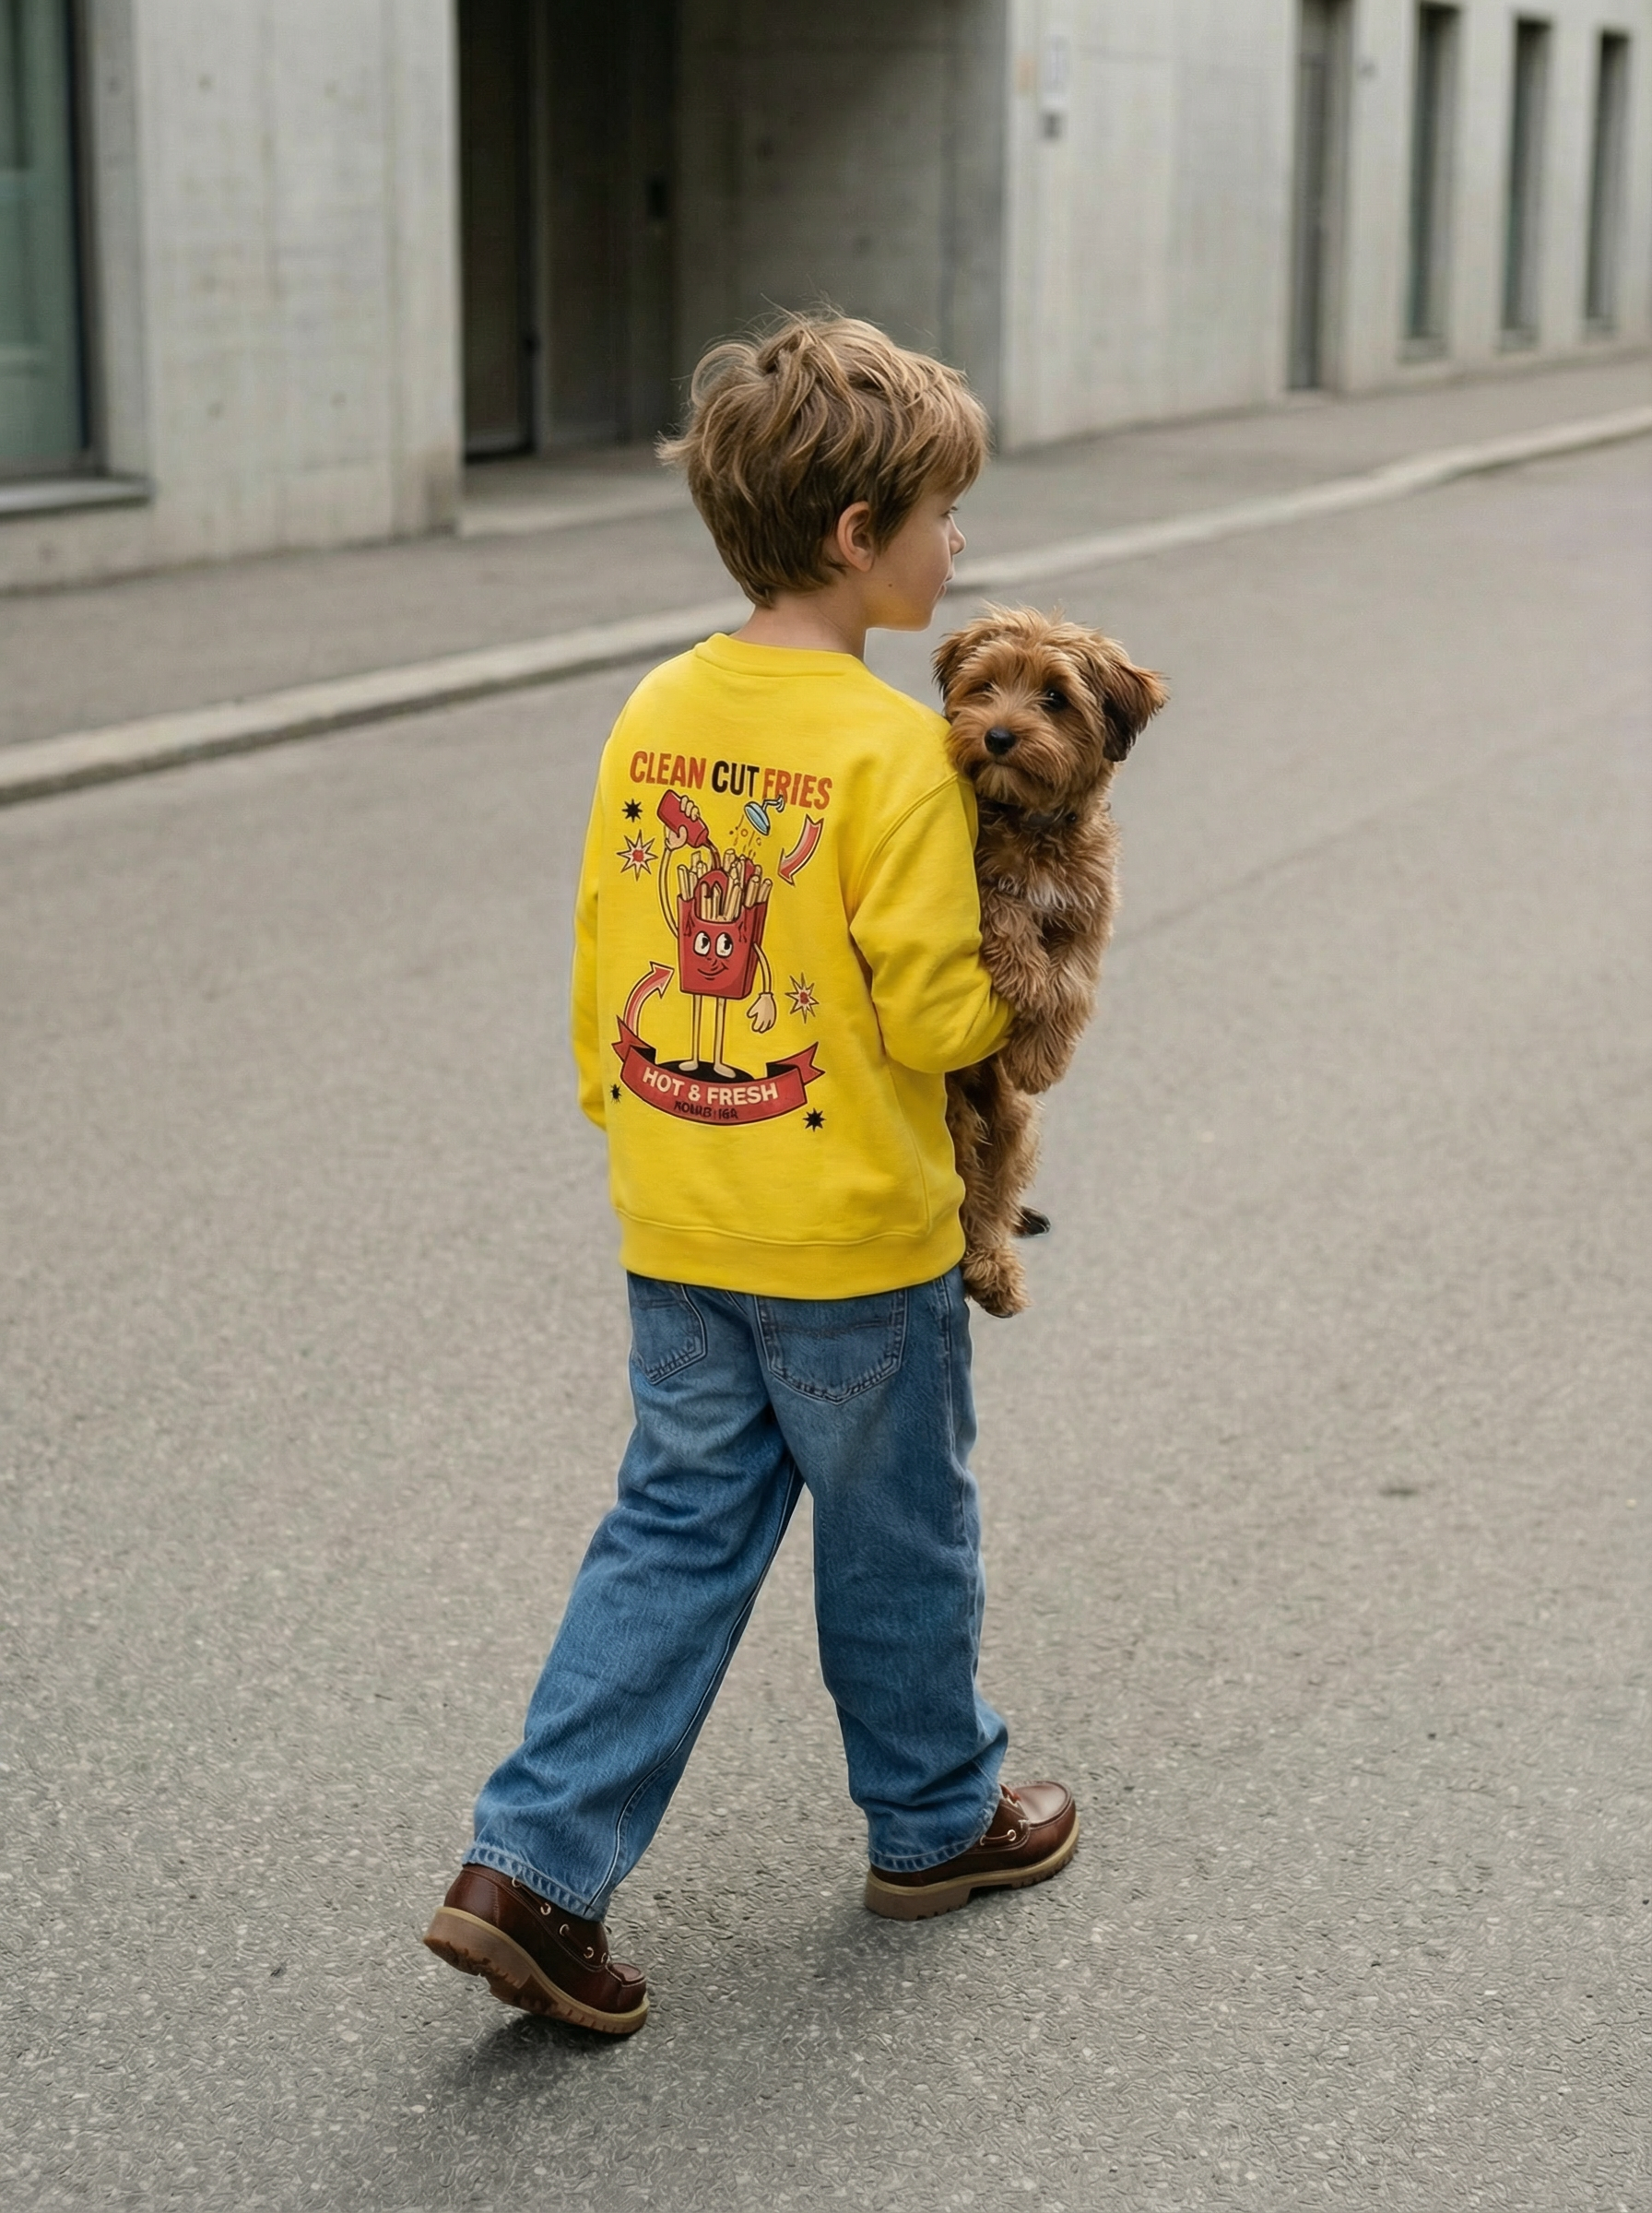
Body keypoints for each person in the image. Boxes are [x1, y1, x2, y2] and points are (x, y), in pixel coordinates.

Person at [423, 314, 1078, 2037]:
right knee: (902, 1540)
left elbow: (602, 942)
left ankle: (530, 1872)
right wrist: (1021, 1026)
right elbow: (942, 1014)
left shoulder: (659, 706)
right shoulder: (892, 756)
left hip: (679, 1209)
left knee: (670, 1533)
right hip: (854, 1243)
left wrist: (622, 1115)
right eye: (946, 516)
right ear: (861, 540)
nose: (961, 549)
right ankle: (939, 1822)